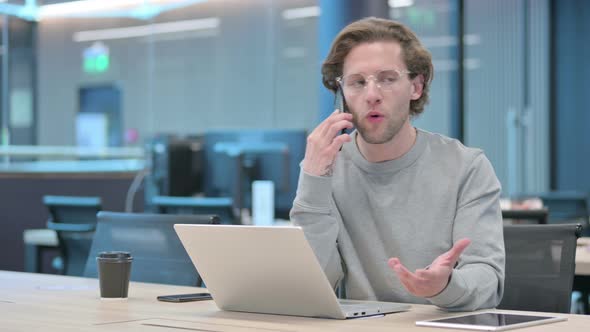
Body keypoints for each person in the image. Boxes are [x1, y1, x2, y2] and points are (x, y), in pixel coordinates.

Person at [290, 17, 504, 311]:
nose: (372, 95)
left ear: (415, 86)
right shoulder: (328, 166)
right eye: (357, 82)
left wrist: (445, 285)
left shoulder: (466, 167)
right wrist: (313, 179)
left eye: (387, 79)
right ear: (341, 96)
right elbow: (312, 286)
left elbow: (487, 282)